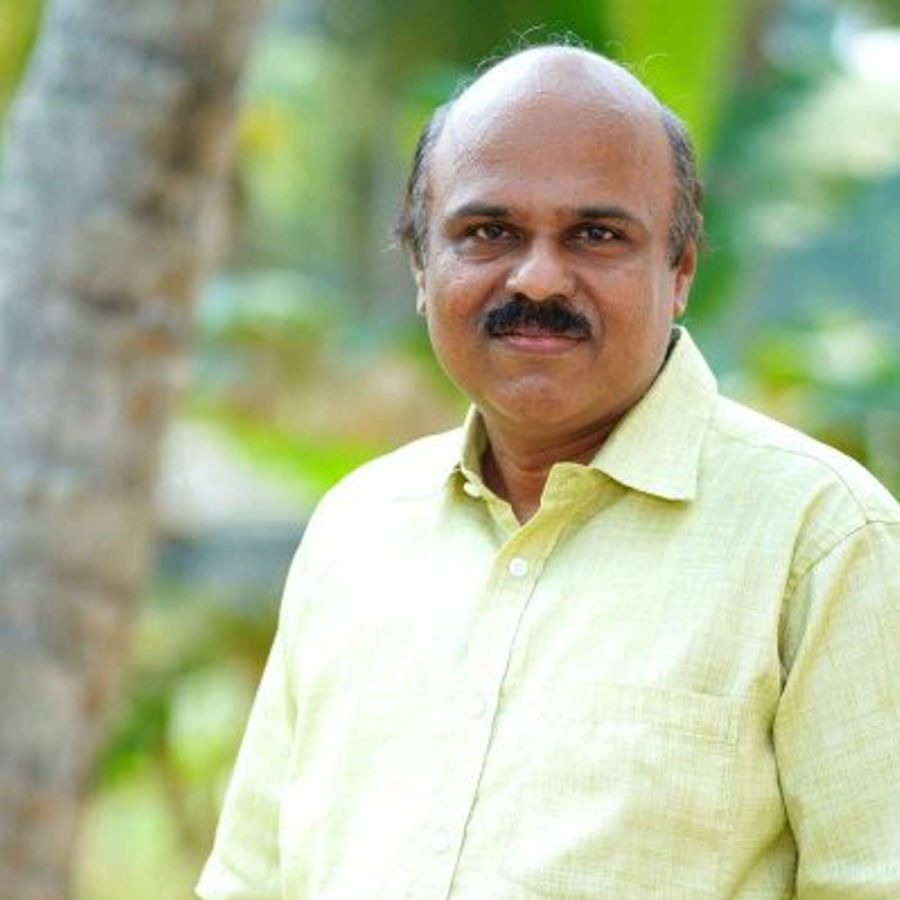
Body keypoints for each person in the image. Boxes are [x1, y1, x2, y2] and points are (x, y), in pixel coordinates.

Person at [197, 45, 900, 899]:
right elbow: (251, 880)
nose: (536, 277)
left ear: (679, 269)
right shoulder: (357, 528)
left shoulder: (821, 539)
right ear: (421, 265)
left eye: (596, 235)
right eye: (488, 232)